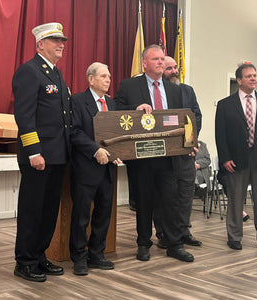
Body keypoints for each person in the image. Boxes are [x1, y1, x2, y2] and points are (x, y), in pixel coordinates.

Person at [114, 44, 195, 262]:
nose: (161, 62)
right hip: (142, 156)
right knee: (144, 202)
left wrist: (189, 143)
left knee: (171, 202)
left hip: (168, 157)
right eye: (156, 59)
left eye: (162, 59)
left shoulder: (174, 90)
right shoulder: (129, 86)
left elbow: (182, 119)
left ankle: (174, 244)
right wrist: (135, 109)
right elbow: (116, 113)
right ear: (145, 63)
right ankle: (143, 244)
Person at [12, 22, 70, 282]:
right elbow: (24, 117)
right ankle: (24, 261)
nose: (61, 44)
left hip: (57, 156)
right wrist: (34, 151)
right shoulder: (29, 71)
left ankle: (39, 255)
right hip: (38, 157)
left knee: (48, 211)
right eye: (55, 40)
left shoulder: (56, 74)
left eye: (62, 40)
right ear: (40, 44)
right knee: (32, 210)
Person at [215, 63, 257, 251]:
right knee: (236, 200)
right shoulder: (225, 105)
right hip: (236, 160)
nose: (253, 78)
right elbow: (221, 135)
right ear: (239, 80)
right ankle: (234, 237)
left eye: (255, 75)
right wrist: (225, 158)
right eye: (249, 76)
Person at [70, 62, 121, 276]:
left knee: (103, 213)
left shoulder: (112, 103)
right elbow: (74, 132)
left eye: (109, 76)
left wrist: (119, 153)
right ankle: (79, 257)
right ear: (90, 79)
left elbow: (118, 131)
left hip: (109, 169)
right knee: (82, 215)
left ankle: (96, 254)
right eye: (103, 76)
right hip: (86, 167)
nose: (108, 80)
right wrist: (95, 150)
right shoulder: (78, 101)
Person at [154, 56, 202, 249]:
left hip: (184, 154)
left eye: (175, 67)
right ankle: (163, 234)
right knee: (164, 197)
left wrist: (189, 142)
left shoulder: (187, 90)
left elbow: (195, 116)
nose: (174, 71)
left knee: (185, 194)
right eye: (169, 68)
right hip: (162, 155)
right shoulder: (155, 93)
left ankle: (183, 232)